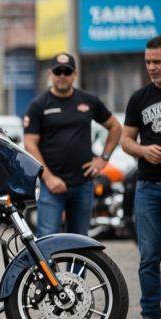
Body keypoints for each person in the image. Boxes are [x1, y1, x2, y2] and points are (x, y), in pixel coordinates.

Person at [23, 53, 122, 237]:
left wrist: (103, 159)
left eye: (67, 72)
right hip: (51, 187)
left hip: (83, 184)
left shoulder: (88, 101)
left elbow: (115, 127)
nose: (62, 76)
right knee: (48, 240)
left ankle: (76, 260)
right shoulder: (38, 105)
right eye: (58, 71)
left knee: (80, 241)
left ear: (75, 74)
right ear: (50, 74)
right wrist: (49, 178)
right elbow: (29, 144)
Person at [122, 36, 161, 319]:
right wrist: (143, 151)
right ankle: (151, 318)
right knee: (149, 256)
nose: (152, 67)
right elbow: (126, 140)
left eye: (157, 61)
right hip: (148, 187)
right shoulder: (139, 98)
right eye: (148, 62)